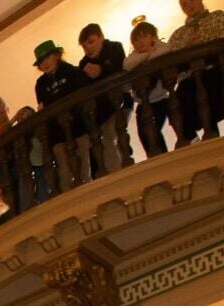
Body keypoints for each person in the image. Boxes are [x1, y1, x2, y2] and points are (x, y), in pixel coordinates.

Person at [168, 0, 224, 143]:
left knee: (207, 88)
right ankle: (194, 141)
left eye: (191, 1)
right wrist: (189, 45)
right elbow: (172, 56)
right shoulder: (177, 34)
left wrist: (202, 40)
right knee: (174, 104)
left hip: (215, 70)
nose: (189, 6)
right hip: (189, 78)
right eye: (184, 4)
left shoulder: (217, 17)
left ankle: (212, 134)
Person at [32, 41, 95, 192]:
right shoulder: (40, 84)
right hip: (57, 133)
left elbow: (82, 95)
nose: (45, 64)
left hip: (78, 126)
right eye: (41, 62)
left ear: (57, 55)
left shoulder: (71, 71)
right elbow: (43, 107)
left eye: (47, 58)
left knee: (84, 162)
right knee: (64, 167)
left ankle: (88, 189)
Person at [78, 24, 135, 173]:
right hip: (102, 110)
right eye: (84, 46)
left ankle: (119, 169)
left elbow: (120, 68)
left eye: (91, 42)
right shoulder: (83, 63)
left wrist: (101, 70)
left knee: (111, 134)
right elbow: (83, 87)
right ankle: (117, 168)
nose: (88, 48)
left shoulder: (114, 48)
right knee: (106, 138)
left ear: (101, 37)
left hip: (120, 101)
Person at [125, 22, 174, 156]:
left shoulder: (161, 48)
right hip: (143, 103)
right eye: (136, 39)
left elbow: (166, 50)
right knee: (144, 135)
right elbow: (127, 64)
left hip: (160, 100)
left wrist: (152, 51)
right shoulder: (134, 57)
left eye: (144, 36)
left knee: (153, 131)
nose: (140, 42)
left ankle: (163, 157)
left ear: (153, 37)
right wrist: (146, 55)